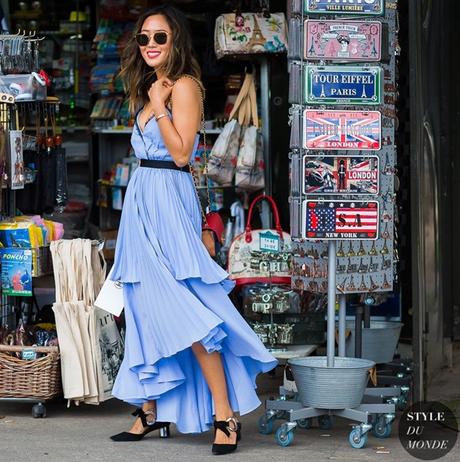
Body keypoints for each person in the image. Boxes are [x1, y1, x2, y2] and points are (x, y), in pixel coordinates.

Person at [108, 5, 277, 455]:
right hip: (142, 202)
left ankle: (225, 416)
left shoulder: (183, 87)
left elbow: (182, 155)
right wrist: (152, 102)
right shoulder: (148, 87)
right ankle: (150, 410)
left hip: (168, 200)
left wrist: (160, 108)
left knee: (187, 310)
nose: (149, 46)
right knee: (145, 307)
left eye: (159, 38)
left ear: (176, 41)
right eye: (144, 38)